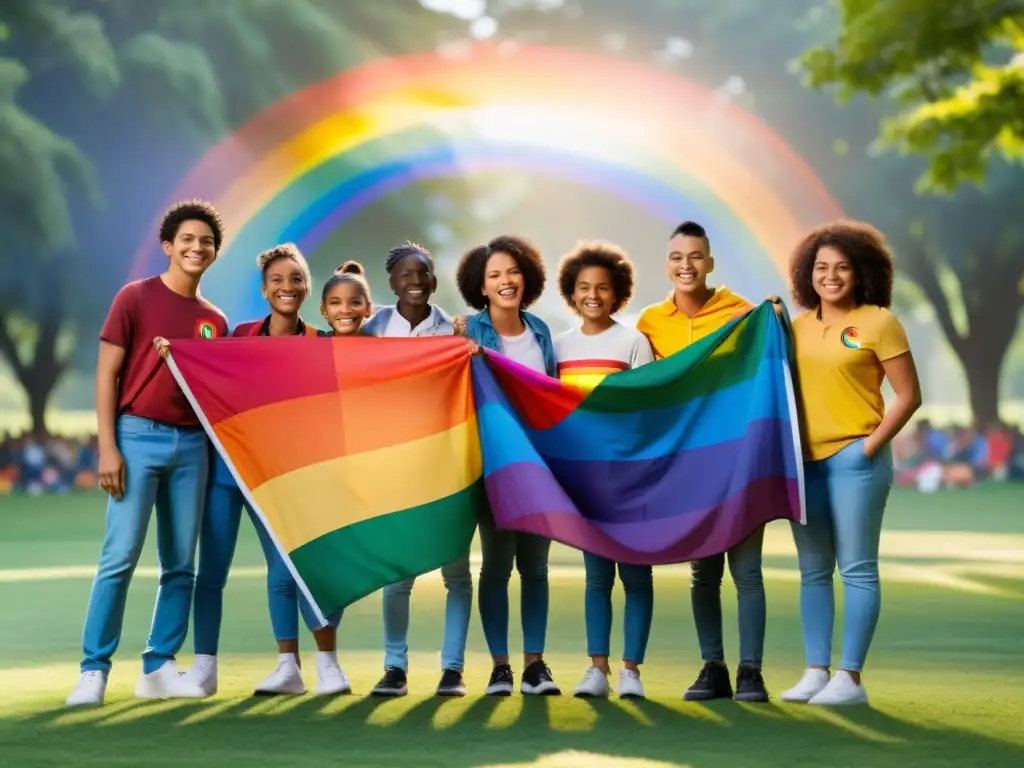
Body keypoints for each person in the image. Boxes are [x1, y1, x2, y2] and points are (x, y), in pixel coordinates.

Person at [66, 200, 229, 707]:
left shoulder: (214, 321)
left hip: (192, 446)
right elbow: (106, 374)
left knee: (181, 563)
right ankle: (93, 669)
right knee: (119, 558)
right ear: (168, 246)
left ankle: (159, 666)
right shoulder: (134, 298)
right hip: (136, 438)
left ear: (214, 252)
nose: (196, 247)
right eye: (187, 239)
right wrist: (108, 447)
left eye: (206, 241)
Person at [178, 244, 347, 698]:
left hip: (283, 477)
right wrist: (171, 351)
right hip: (229, 473)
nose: (286, 287)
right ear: (264, 289)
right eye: (277, 280)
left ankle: (312, 666)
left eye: (295, 279)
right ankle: (205, 668)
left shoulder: (319, 343)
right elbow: (208, 377)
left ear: (307, 286)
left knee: (290, 570)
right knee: (211, 572)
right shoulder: (239, 335)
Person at [781, 221, 921, 706]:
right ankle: (815, 671)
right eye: (821, 267)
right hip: (806, 463)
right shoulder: (794, 328)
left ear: (860, 273)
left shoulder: (880, 322)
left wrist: (868, 446)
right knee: (813, 570)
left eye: (841, 267)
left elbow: (908, 396)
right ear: (807, 273)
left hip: (856, 459)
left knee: (857, 568)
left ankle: (851, 678)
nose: (830, 276)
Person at [636, 220, 771, 703]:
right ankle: (712, 666)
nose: (685, 266)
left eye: (695, 257)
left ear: (710, 263)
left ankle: (751, 671)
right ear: (666, 263)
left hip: (740, 457)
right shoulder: (650, 321)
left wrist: (775, 317)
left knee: (747, 571)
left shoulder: (741, 313)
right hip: (688, 463)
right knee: (704, 571)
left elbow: (770, 360)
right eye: (676, 257)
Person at [452, 235, 560, 696]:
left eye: (512, 272)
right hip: (492, 468)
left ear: (527, 277)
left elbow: (551, 394)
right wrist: (460, 348)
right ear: (480, 285)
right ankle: (501, 667)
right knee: (496, 566)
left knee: (535, 568)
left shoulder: (540, 331)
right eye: (494, 275)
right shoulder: (467, 332)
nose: (505, 281)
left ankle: (535, 664)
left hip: (540, 465)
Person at [362, 243, 470, 698]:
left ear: (434, 279)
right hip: (396, 469)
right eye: (404, 273)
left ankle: (453, 669)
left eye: (422, 272)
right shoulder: (372, 329)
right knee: (397, 575)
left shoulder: (454, 331)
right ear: (390, 282)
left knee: (456, 573)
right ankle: (395, 666)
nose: (414, 280)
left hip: (447, 466)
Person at [553, 241, 655, 700]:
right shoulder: (559, 346)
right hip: (585, 483)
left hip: (630, 480)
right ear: (571, 293)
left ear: (618, 294)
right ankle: (598, 668)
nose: (593, 295)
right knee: (598, 578)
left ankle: (631, 670)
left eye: (602, 288)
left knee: (636, 576)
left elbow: (646, 409)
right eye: (583, 288)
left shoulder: (633, 342)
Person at [319, 262, 373, 336]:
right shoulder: (314, 344)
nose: (345, 311)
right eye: (335, 303)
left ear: (368, 309)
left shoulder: (382, 346)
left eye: (355, 303)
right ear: (323, 309)